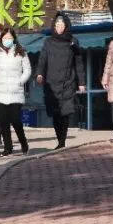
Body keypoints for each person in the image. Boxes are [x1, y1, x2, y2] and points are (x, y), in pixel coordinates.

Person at [35, 12, 85, 148]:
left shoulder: (73, 42)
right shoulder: (48, 42)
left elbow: (79, 63)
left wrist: (82, 82)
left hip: (68, 82)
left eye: (62, 24)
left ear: (66, 25)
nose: (59, 26)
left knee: (65, 112)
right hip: (51, 83)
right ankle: (59, 139)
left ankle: (62, 142)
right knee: (56, 113)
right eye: (57, 24)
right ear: (54, 26)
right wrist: (39, 74)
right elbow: (42, 60)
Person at [0, 26, 32, 156]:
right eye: (4, 38)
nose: (7, 40)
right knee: (3, 120)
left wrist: (20, 81)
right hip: (0, 91)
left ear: (14, 38)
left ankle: (23, 143)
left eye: (9, 37)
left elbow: (27, 70)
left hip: (15, 91)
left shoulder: (21, 52)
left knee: (15, 119)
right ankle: (7, 148)